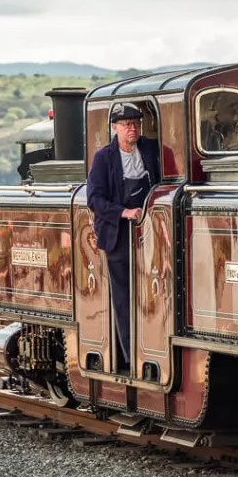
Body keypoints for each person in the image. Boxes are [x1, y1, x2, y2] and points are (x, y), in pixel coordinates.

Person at [86, 102, 160, 374]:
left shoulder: (150, 149)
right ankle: (129, 355)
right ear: (114, 128)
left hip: (150, 231)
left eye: (136, 124)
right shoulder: (104, 158)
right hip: (118, 234)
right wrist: (124, 212)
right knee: (123, 297)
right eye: (127, 125)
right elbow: (94, 199)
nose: (133, 129)